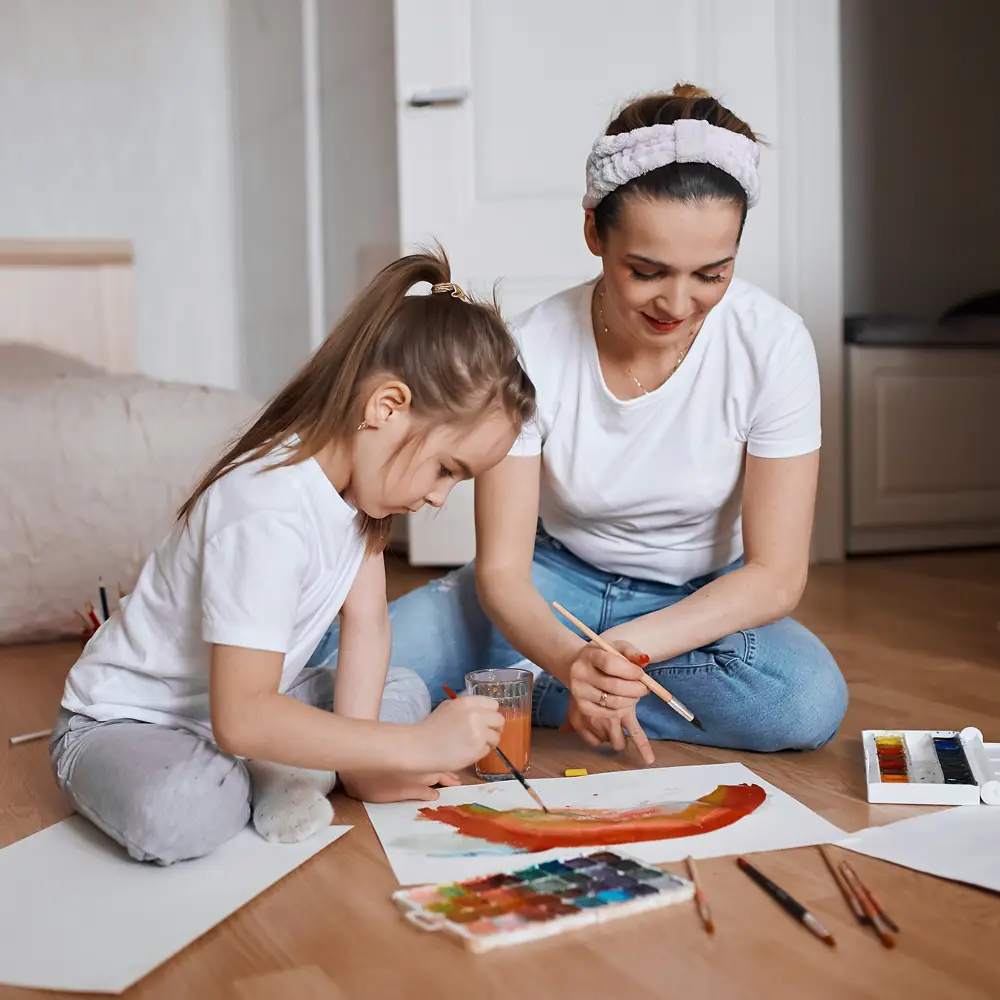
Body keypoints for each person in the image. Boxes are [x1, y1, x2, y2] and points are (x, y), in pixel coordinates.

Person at [310, 84, 848, 764]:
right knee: (327, 674)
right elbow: (503, 573)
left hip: (696, 603)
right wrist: (569, 655)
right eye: (647, 271)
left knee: (804, 703)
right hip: (548, 584)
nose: (678, 304)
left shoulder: (775, 345)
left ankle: (510, 690)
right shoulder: (531, 347)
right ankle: (545, 681)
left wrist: (618, 655)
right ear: (594, 229)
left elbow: (774, 576)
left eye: (713, 273)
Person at [50, 250, 536, 864]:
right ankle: (269, 771)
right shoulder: (267, 506)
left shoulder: (359, 496)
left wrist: (365, 767)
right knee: (184, 809)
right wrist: (410, 750)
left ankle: (285, 764)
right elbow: (243, 716)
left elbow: (368, 625)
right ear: (386, 407)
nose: (440, 496)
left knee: (401, 689)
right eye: (446, 470)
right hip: (136, 725)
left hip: (249, 706)